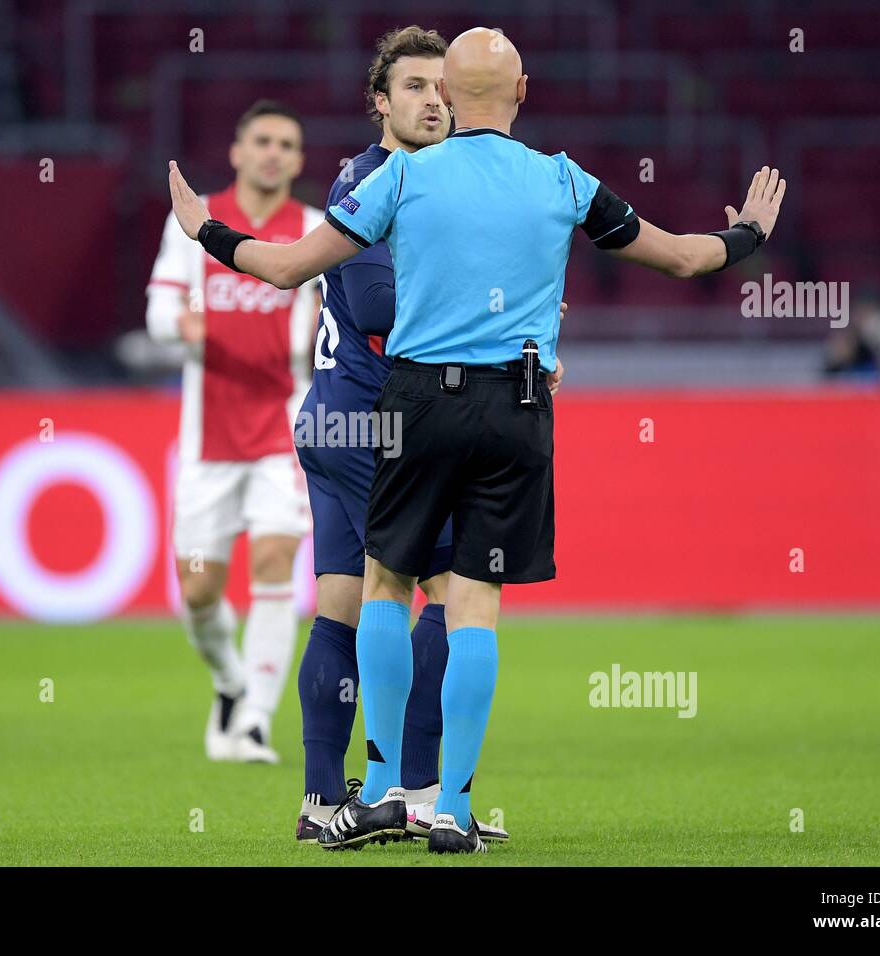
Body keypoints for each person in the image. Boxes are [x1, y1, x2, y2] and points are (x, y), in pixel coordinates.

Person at [166, 27, 786, 851]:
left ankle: (379, 790)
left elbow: (286, 270)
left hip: (413, 405)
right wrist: (748, 236)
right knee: (472, 606)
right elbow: (680, 258)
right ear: (523, 89)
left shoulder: (402, 176)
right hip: (517, 405)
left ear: (451, 99)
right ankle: (448, 806)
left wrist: (204, 231)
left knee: (377, 586)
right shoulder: (563, 178)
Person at [293, 25, 563, 844]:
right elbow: (376, 307)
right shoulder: (377, 178)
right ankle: (418, 796)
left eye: (440, 85)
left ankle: (320, 804)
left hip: (341, 415)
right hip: (377, 421)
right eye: (413, 87)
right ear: (380, 103)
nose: (433, 100)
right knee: (445, 593)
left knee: (341, 602)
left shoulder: (424, 179)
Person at [146, 101, 321, 764]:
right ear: (238, 151)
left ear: (299, 161)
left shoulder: (312, 229)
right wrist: (185, 326)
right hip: (207, 444)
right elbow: (160, 313)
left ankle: (253, 719)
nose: (274, 153)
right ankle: (228, 681)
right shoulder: (194, 219)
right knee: (197, 594)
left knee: (276, 562)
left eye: (287, 143)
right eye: (263, 141)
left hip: (286, 434)